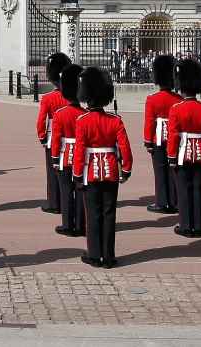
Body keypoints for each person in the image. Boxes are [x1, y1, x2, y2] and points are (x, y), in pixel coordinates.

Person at [72, 66, 131, 268]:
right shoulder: (115, 121)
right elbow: (124, 147)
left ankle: (95, 254)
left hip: (90, 172)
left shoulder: (83, 121)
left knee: (93, 214)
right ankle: (108, 255)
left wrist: (78, 176)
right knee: (109, 213)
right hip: (111, 171)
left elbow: (79, 151)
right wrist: (127, 169)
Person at [166, 57, 201, 238]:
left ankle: (186, 225)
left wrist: (172, 156)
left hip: (182, 154)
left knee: (184, 191)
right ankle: (199, 225)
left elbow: (173, 135)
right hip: (200, 153)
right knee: (197, 191)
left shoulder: (176, 109)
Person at [51, 63, 87, 238]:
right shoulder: (86, 114)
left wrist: (56, 159)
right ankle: (80, 225)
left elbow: (56, 139)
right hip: (83, 157)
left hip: (66, 155)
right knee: (80, 190)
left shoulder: (60, 114)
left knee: (66, 191)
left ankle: (67, 224)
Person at [143, 55, 182, 215]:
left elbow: (149, 122)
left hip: (158, 138)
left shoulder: (153, 99)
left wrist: (148, 142)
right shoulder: (179, 99)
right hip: (175, 138)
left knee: (160, 171)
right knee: (173, 169)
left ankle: (161, 202)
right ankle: (174, 202)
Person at [36, 53, 72, 214]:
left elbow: (41, 121)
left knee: (53, 171)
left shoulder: (48, 98)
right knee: (69, 170)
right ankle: (68, 202)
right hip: (72, 137)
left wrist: (42, 137)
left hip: (52, 137)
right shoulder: (72, 97)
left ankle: (54, 203)